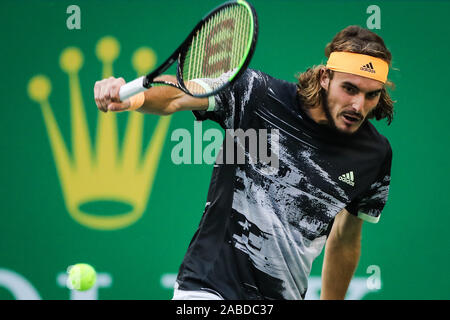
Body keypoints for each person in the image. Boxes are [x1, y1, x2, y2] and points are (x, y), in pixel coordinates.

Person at [94, 25, 394, 300]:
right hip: (209, 288)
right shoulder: (257, 93)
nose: (358, 105)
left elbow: (344, 238)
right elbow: (180, 95)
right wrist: (136, 100)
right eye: (350, 89)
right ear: (325, 77)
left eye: (371, 95)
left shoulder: (375, 154)